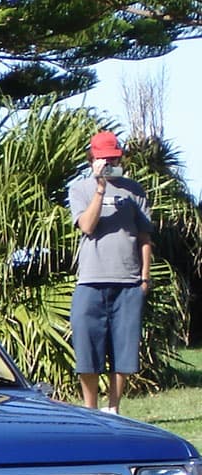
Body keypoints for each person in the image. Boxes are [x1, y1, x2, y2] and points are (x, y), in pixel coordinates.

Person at [67, 130, 153, 415]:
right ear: (93, 158)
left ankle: (114, 407)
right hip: (91, 280)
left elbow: (144, 236)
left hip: (128, 282)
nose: (110, 163)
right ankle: (90, 408)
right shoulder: (80, 189)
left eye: (114, 158)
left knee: (124, 350)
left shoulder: (135, 190)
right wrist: (100, 188)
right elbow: (87, 226)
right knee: (87, 347)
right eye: (104, 158)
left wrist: (144, 278)